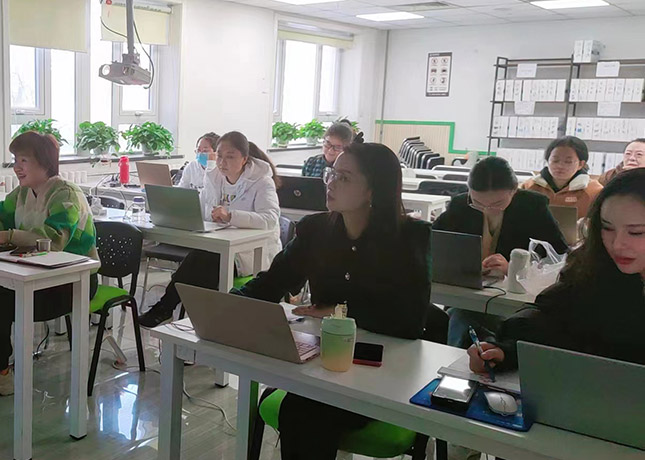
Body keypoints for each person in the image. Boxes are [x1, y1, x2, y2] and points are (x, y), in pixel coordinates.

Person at [235, 142, 431, 459]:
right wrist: (230, 304)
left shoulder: (410, 237)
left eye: (344, 177)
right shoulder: (316, 230)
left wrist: (340, 312)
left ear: (373, 191)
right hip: (325, 362)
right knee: (302, 408)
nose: (331, 183)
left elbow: (410, 319)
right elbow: (274, 281)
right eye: (332, 174)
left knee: (302, 412)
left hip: (383, 368)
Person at [468, 167, 645, 375]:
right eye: (607, 228)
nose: (617, 244)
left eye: (636, 232)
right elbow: (549, 317)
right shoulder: (593, 267)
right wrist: (506, 350)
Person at [138, 131, 282, 328]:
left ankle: (175, 312)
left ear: (244, 159)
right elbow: (201, 208)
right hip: (218, 244)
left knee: (203, 262)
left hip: (251, 252)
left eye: (230, 157)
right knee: (198, 260)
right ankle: (184, 316)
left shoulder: (262, 182)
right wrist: (178, 212)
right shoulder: (214, 177)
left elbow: (270, 219)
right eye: (219, 156)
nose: (222, 162)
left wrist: (231, 215)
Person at [0, 132, 99, 395]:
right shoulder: (21, 193)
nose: (17, 167)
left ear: (44, 163)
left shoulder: (66, 194)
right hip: (32, 275)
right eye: (15, 160)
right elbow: (2, 217)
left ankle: (2, 372)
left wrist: (8, 236)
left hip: (72, 283)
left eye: (24, 160)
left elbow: (53, 241)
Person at [433, 156, 568, 348]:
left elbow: (559, 256)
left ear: (514, 191)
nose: (488, 209)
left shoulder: (533, 206)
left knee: (465, 321)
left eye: (497, 203)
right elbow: (433, 244)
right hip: (468, 294)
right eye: (478, 203)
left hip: (514, 299)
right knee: (461, 316)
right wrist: (463, 265)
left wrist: (514, 269)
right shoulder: (460, 205)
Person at [521, 136, 603, 218]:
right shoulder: (529, 186)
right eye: (555, 161)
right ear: (547, 160)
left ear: (581, 164)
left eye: (568, 162)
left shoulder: (594, 192)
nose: (560, 166)